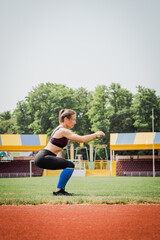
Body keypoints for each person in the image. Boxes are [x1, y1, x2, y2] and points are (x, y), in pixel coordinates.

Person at [34, 109, 105, 196]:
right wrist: (96, 134)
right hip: (43, 157)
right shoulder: (63, 131)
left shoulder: (60, 129)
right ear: (66, 119)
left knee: (68, 165)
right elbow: (82, 139)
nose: (75, 122)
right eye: (73, 119)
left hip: (44, 156)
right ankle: (59, 191)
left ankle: (61, 190)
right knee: (69, 165)